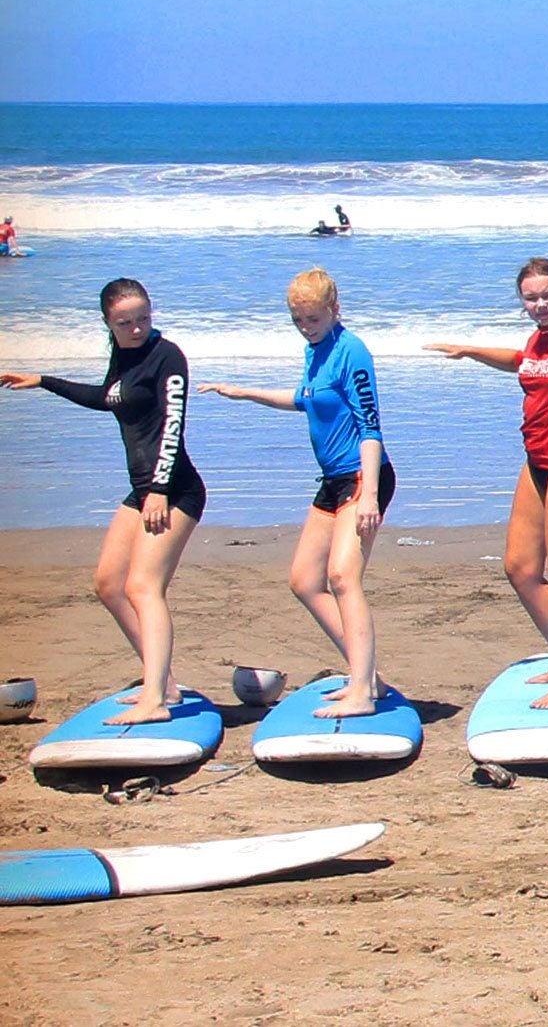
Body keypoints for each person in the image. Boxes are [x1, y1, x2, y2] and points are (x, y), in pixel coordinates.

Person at [1, 279, 206, 725]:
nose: (136, 329)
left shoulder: (167, 356)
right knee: (109, 584)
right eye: (125, 322)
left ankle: (154, 697)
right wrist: (44, 381)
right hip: (144, 489)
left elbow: (174, 426)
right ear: (108, 323)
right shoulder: (124, 354)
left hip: (174, 489)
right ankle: (164, 682)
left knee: (143, 587)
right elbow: (109, 397)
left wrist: (159, 489)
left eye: (143, 319)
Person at [197, 268, 395, 719]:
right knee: (305, 581)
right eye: (299, 321)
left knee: (344, 577)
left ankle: (362, 688)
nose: (306, 328)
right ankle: (369, 675)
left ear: (334, 309)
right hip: (333, 481)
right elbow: (306, 398)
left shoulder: (352, 352)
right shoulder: (316, 351)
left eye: (313, 319)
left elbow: (370, 427)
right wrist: (243, 392)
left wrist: (367, 496)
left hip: (363, 477)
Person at [424, 258, 548, 709]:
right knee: (520, 569)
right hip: (536, 464)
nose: (541, 304)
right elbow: (523, 363)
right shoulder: (540, 340)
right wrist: (470, 351)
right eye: (531, 298)